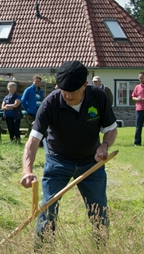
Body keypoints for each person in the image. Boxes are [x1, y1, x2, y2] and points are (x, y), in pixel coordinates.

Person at [20, 60, 117, 247]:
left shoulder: (98, 97)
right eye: (64, 91)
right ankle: (42, 250)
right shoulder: (50, 104)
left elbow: (111, 130)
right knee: (47, 210)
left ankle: (100, 249)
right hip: (58, 161)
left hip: (91, 163)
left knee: (99, 213)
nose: (67, 96)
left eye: (73, 92)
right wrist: (27, 170)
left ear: (84, 86)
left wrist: (104, 145)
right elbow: (32, 141)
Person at [132, 72, 144, 146]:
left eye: (142, 78)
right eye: (139, 78)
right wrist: (137, 98)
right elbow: (133, 97)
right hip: (139, 109)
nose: (140, 79)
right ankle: (137, 142)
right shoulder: (137, 87)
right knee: (138, 127)